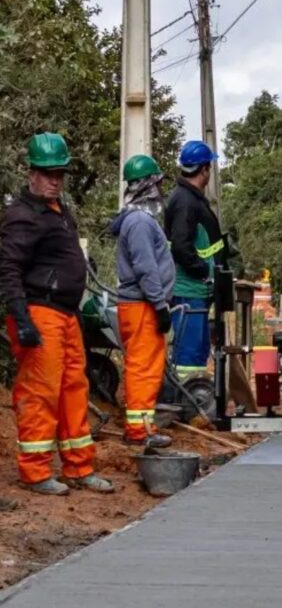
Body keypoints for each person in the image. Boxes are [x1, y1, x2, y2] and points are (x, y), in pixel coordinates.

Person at [0, 134, 113, 495]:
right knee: (40, 392)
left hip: (64, 314)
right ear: (31, 173)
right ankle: (35, 473)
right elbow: (8, 268)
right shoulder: (22, 215)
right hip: (39, 312)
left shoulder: (59, 210)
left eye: (60, 174)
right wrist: (21, 315)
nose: (55, 180)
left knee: (73, 390)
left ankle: (79, 468)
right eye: (48, 174)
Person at [110, 154, 175, 449]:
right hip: (142, 306)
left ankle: (142, 426)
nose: (160, 190)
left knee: (145, 366)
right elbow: (146, 267)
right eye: (157, 184)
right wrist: (160, 305)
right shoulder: (139, 222)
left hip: (140, 304)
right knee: (142, 367)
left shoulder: (138, 220)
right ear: (148, 185)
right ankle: (139, 430)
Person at [164, 140, 226, 383]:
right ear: (204, 169)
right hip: (189, 290)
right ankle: (187, 398)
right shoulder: (185, 201)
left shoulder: (189, 199)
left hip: (197, 290)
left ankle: (194, 395)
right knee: (188, 353)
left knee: (197, 349)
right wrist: (204, 272)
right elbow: (181, 246)